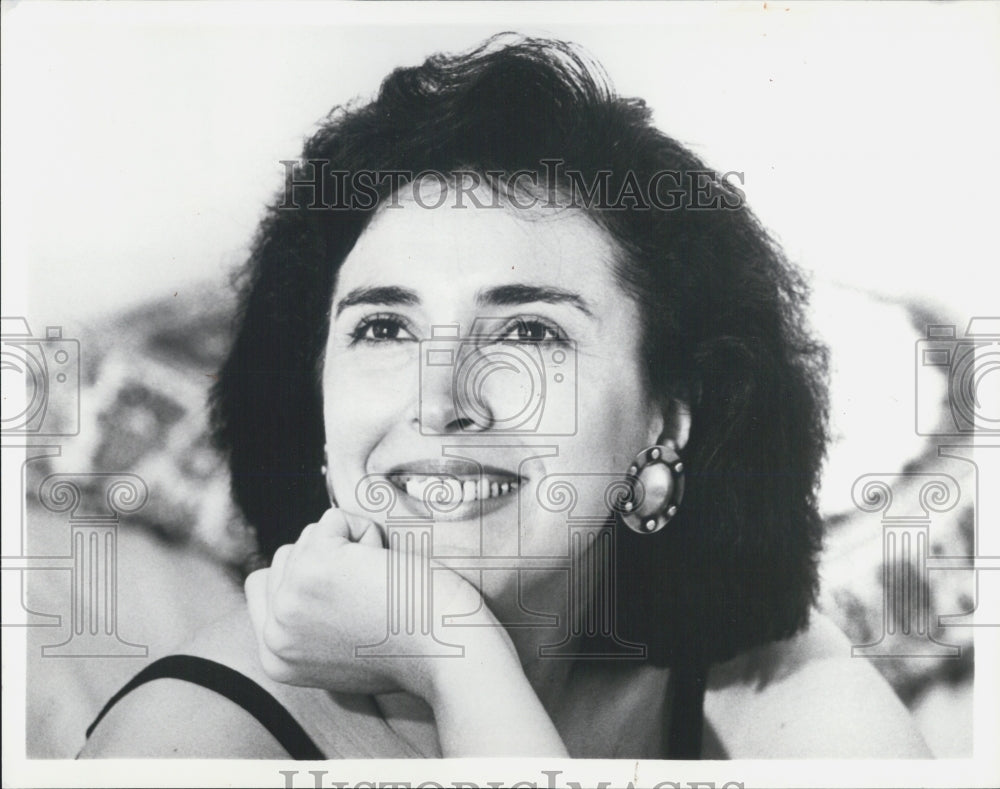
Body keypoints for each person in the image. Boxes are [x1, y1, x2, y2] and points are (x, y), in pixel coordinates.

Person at [80, 35, 930, 759]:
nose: (442, 399)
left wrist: (453, 662)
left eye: (529, 332)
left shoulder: (767, 684)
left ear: (666, 415)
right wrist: (454, 652)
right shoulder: (183, 742)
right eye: (383, 329)